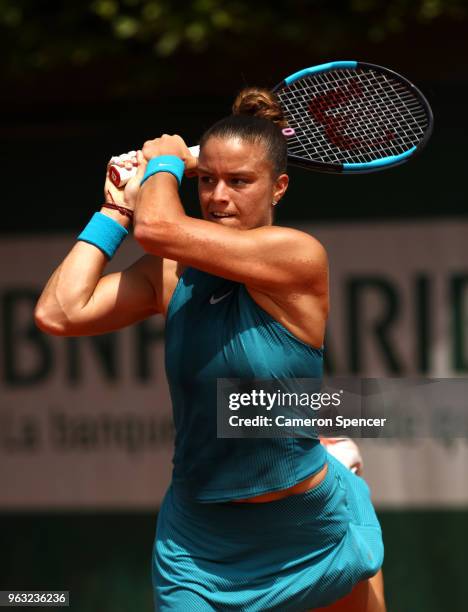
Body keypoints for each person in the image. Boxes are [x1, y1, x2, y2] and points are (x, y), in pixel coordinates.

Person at [35, 87, 385, 611]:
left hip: (309, 527)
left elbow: (157, 226)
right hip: (198, 544)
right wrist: (112, 211)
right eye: (209, 181)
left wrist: (165, 161)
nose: (219, 197)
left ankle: (337, 461)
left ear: (279, 187)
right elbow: (60, 312)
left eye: (240, 182)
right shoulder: (171, 272)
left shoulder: (297, 255)